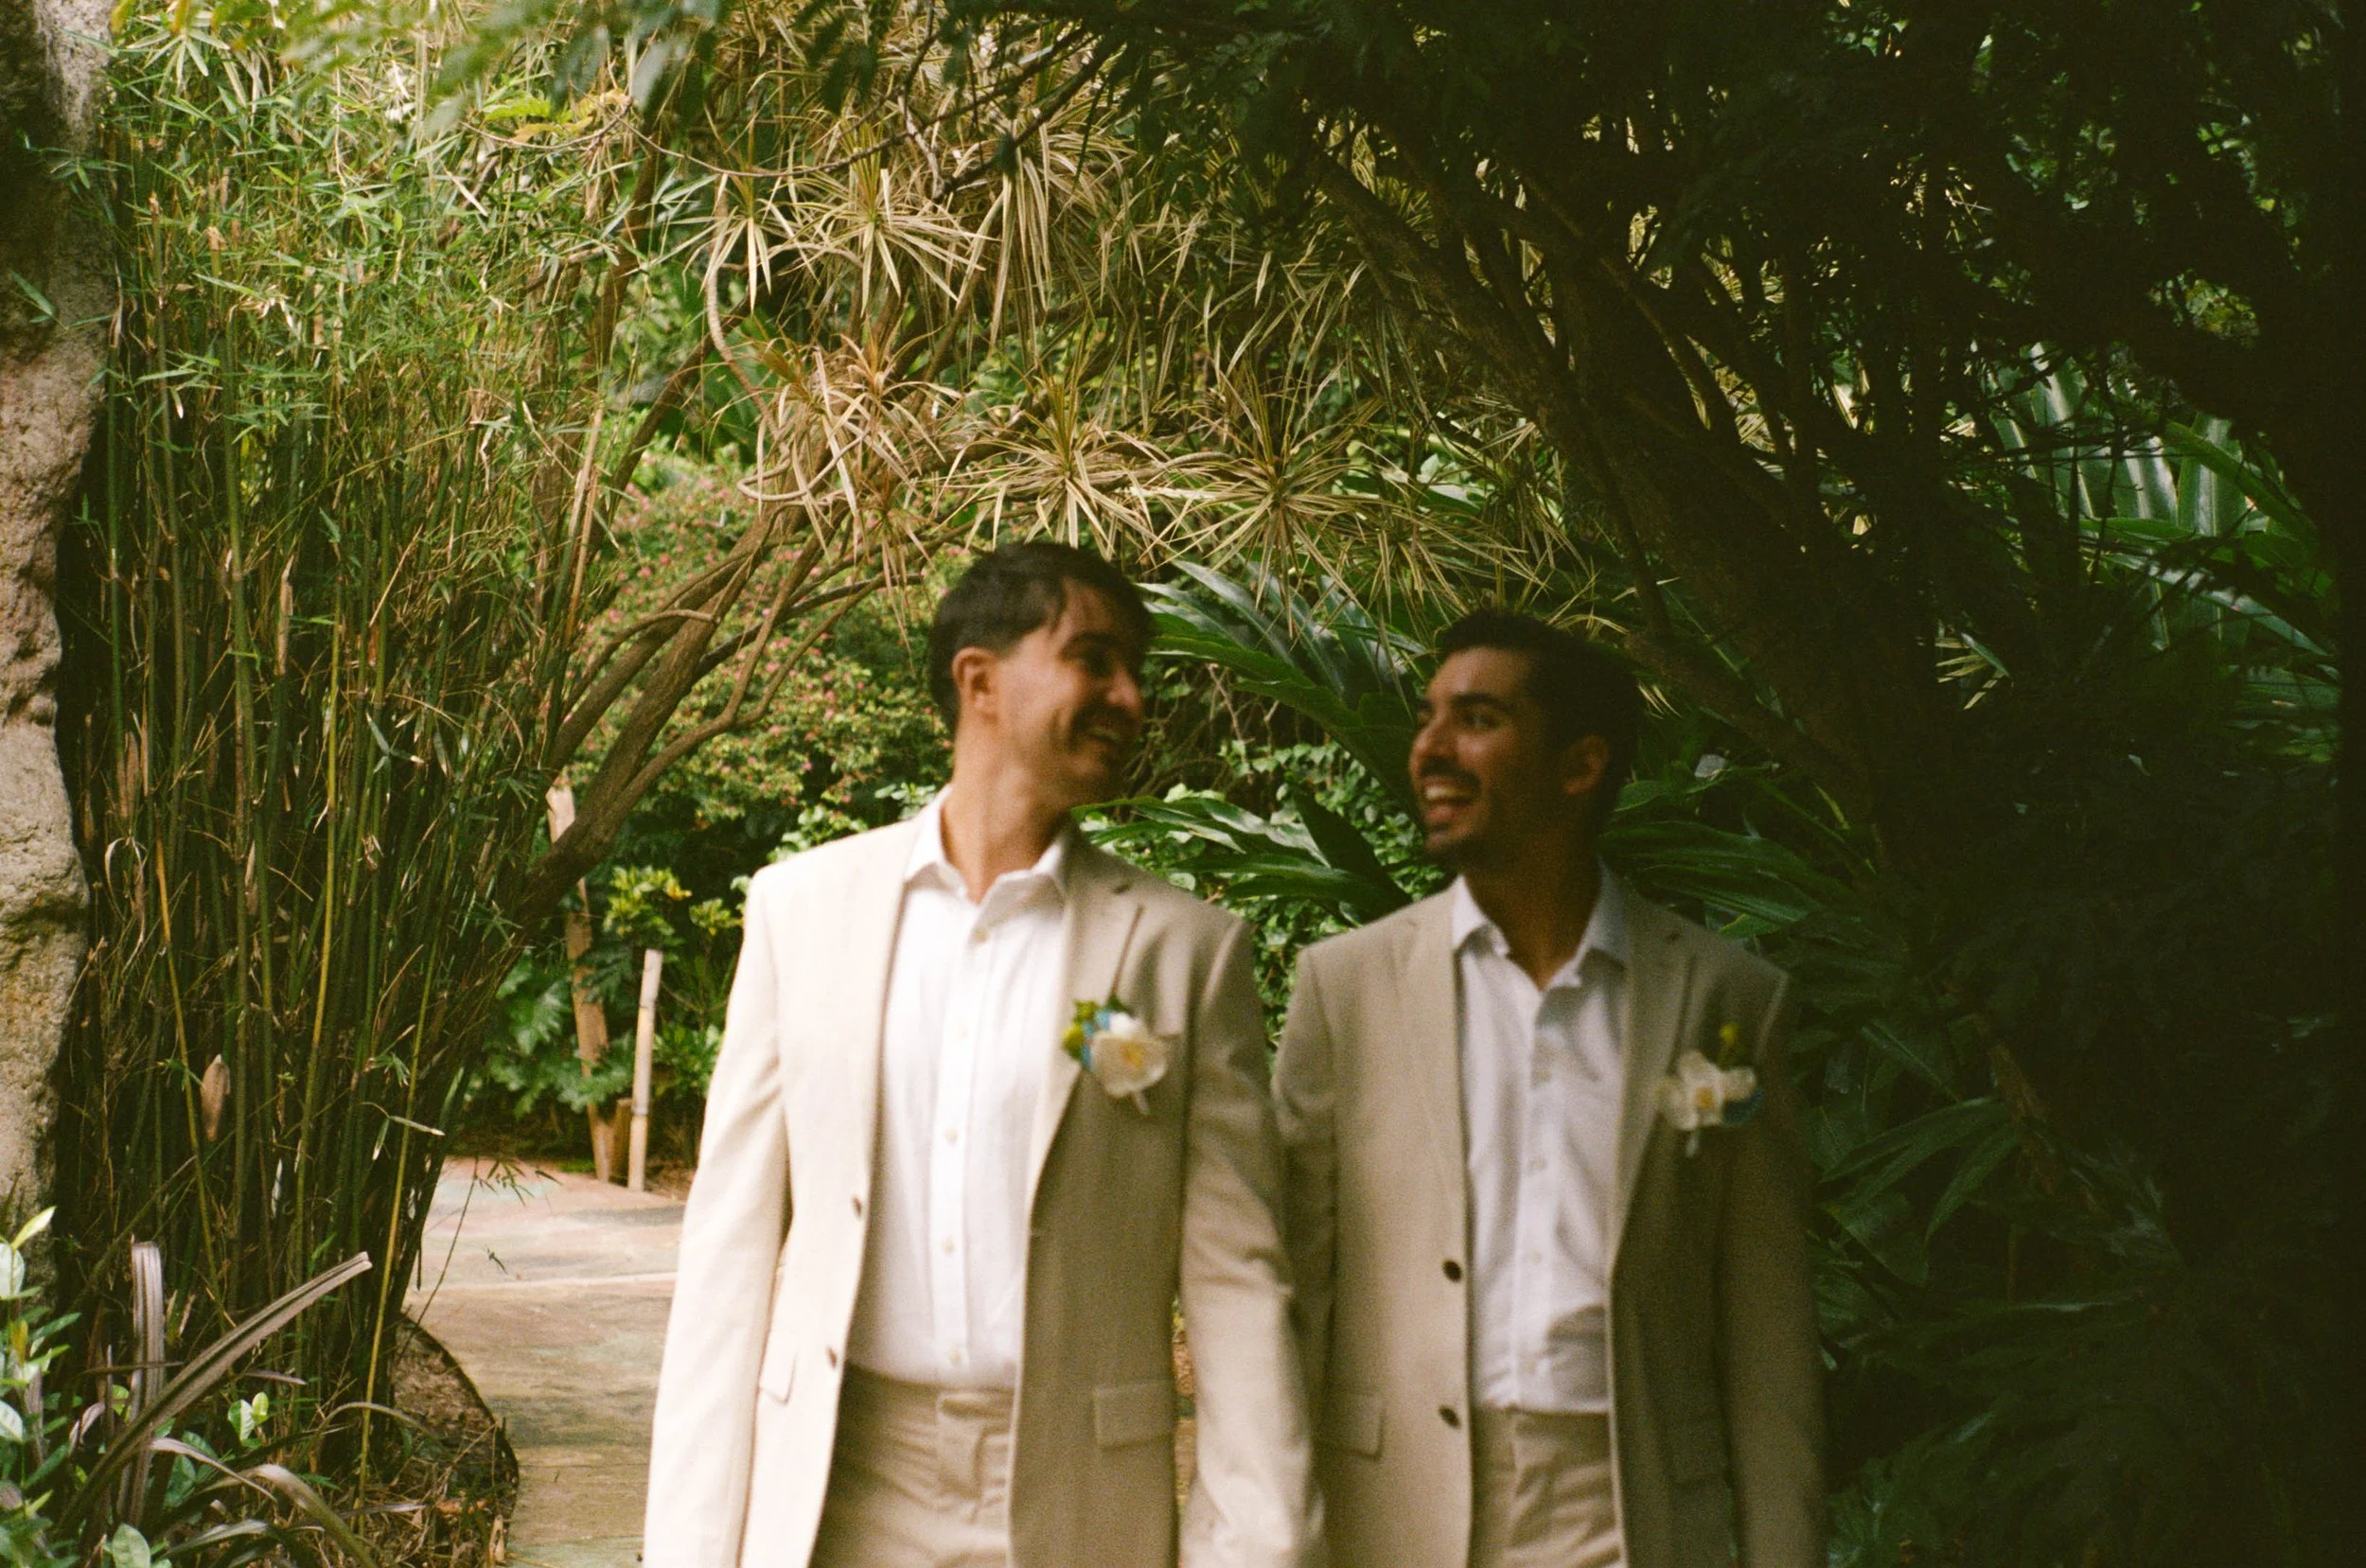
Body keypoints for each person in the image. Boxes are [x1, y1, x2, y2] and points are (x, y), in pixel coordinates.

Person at [643, 542, 1321, 1568]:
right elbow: (727, 1254)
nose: (1131, 697)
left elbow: (1237, 1282)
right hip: (841, 1486)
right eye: (1094, 660)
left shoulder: (1182, 952)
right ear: (980, 680)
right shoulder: (803, 913)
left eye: (1136, 669)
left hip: (1079, 1500)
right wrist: (689, 1548)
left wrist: (1259, 1547)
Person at [1275, 610, 1822, 1568]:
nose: (1429, 749)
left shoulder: (1723, 1000)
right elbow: (1290, 1294)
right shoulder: (1346, 989)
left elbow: (1767, 1332)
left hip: (1631, 1513)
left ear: (1580, 765)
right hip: (1396, 1512)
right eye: (1428, 718)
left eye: (1475, 719)